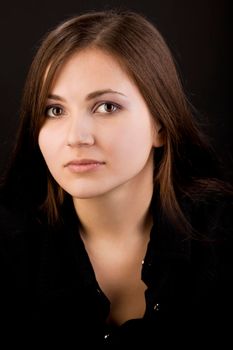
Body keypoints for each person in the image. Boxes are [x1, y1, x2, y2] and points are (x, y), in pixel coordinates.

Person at [0, 9, 232, 347]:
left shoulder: (222, 236)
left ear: (161, 126)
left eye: (106, 107)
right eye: (55, 110)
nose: (76, 137)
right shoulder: (9, 246)